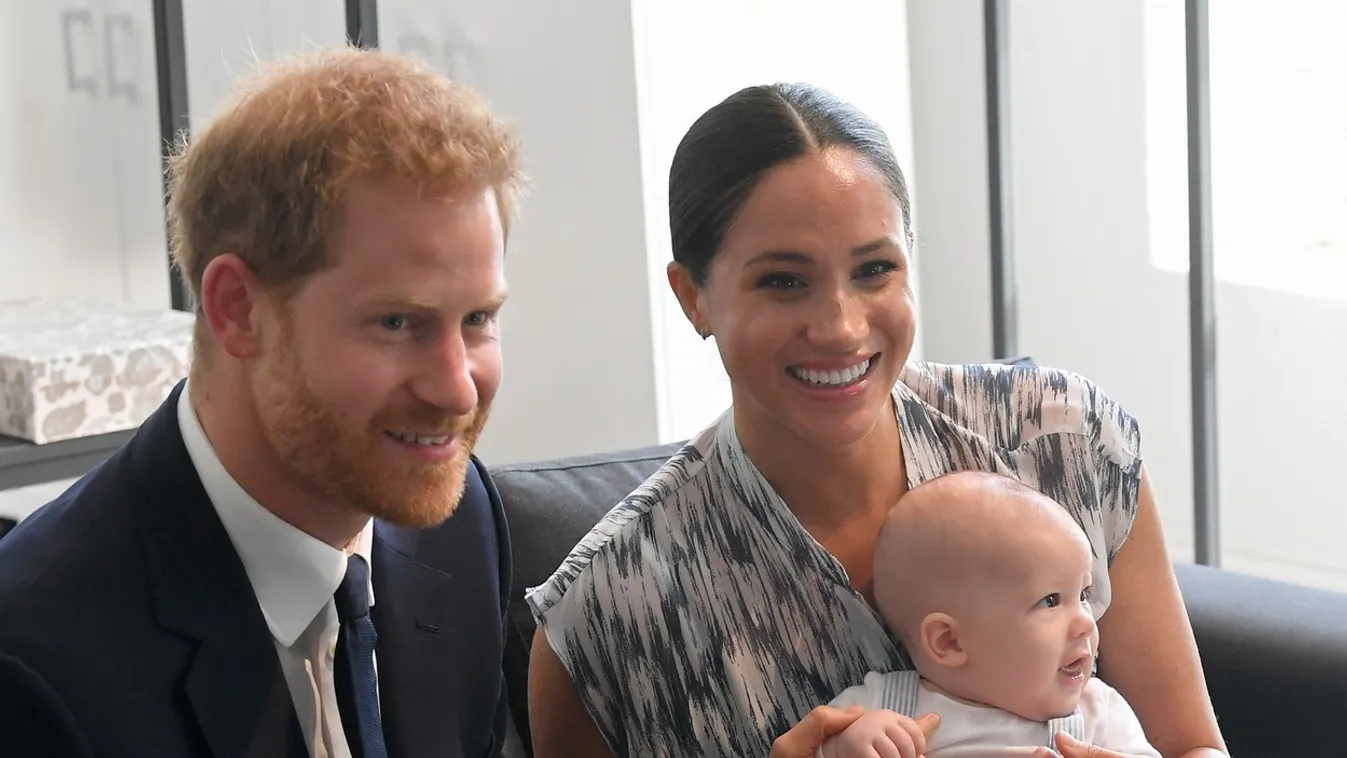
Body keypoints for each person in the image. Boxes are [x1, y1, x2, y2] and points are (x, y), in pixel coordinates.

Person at [525, 82, 1227, 758]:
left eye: (874, 270)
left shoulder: (1063, 442)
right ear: (693, 298)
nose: (840, 327)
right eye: (783, 281)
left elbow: (1194, 746)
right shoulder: (608, 615)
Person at [0, 47, 524, 757]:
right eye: (398, 323)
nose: (456, 388)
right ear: (237, 309)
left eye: (478, 319)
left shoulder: (461, 525)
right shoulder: (33, 669)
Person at [819, 472, 1160, 758]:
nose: (1086, 622)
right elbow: (807, 744)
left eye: (1083, 595)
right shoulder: (881, 709)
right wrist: (844, 747)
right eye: (1050, 601)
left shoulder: (1099, 714)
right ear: (949, 641)